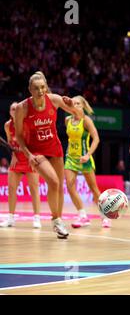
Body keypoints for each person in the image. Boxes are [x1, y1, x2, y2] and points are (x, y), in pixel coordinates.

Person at [14, 71, 83, 239]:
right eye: (36, 88)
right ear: (30, 89)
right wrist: (28, 154)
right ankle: (56, 219)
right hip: (36, 152)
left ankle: (58, 224)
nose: (40, 91)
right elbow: (19, 136)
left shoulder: (54, 99)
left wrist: (72, 104)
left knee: (59, 187)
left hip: (55, 149)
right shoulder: (22, 108)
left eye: (43, 87)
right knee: (53, 181)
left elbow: (79, 115)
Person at [64, 96, 111, 228]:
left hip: (84, 158)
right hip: (70, 157)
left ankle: (105, 216)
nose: (76, 105)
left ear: (83, 106)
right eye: (73, 103)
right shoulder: (67, 120)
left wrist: (88, 154)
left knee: (94, 189)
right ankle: (82, 216)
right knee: (70, 185)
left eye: (78, 103)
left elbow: (96, 139)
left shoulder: (86, 121)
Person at [0, 102, 41, 229]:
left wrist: (33, 158)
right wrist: (13, 155)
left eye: (17, 109)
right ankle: (11, 218)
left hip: (30, 159)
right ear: (10, 112)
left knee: (34, 189)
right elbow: (10, 142)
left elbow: (35, 141)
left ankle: (37, 218)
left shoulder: (29, 123)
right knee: (12, 189)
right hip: (17, 160)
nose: (15, 110)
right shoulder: (8, 125)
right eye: (13, 109)